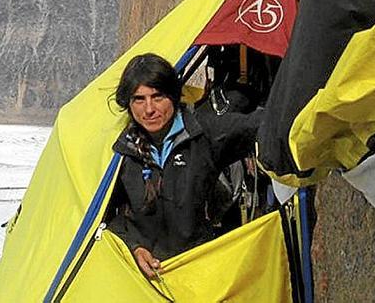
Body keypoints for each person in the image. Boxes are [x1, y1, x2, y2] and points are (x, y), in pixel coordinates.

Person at [106, 53, 261, 278]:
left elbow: (261, 127)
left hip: (199, 271)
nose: (148, 109)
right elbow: (106, 214)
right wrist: (134, 247)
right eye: (139, 99)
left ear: (173, 95)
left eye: (157, 97)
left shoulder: (203, 133)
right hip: (144, 280)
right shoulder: (121, 152)